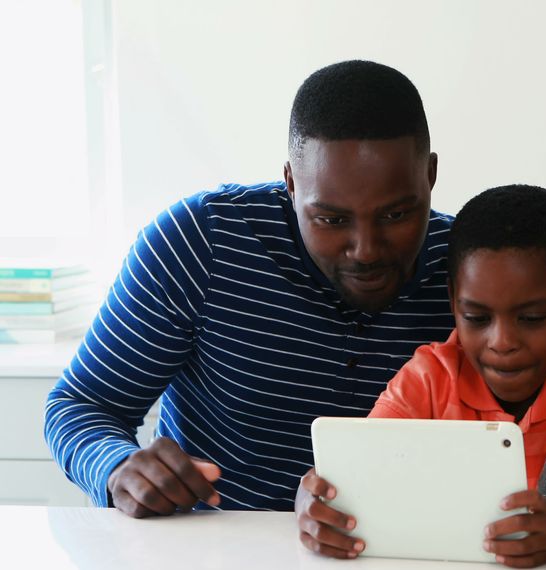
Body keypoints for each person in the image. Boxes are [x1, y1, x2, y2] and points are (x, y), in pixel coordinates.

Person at [44, 60, 457, 516]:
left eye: (396, 215)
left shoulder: (468, 266)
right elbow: (81, 403)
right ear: (291, 183)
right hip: (214, 549)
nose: (366, 250)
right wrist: (116, 467)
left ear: (430, 175)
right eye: (332, 220)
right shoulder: (201, 241)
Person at [295, 185, 546, 567]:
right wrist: (313, 499)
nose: (501, 342)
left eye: (531, 318)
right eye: (477, 318)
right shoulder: (430, 376)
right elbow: (359, 472)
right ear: (454, 302)